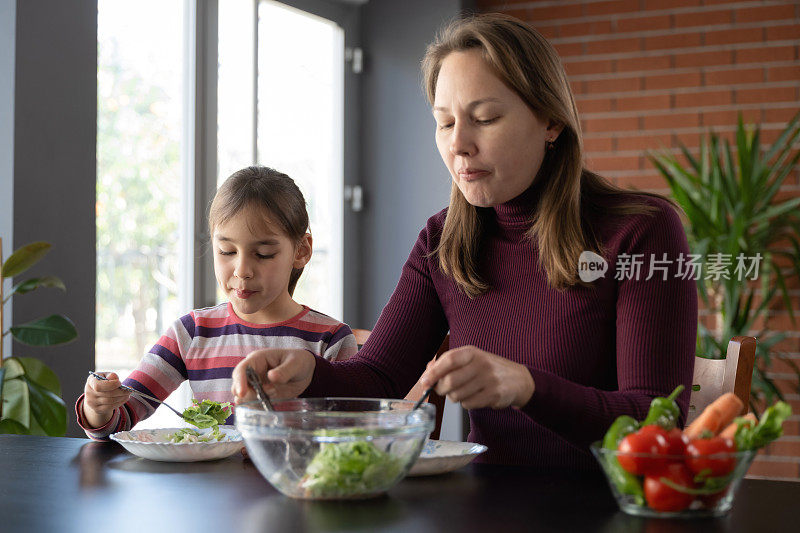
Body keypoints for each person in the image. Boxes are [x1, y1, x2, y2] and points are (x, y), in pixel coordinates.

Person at [236, 12, 697, 470]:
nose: (459, 144)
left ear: (551, 122)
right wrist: (307, 373)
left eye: (485, 118)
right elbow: (380, 378)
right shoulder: (442, 242)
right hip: (479, 506)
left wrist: (527, 387)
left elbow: (655, 422)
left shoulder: (642, 231)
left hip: (604, 508)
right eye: (445, 122)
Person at [77, 166, 358, 439]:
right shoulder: (192, 332)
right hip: (207, 486)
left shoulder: (330, 339)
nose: (241, 270)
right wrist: (98, 406)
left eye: (263, 254)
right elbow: (123, 415)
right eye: (227, 251)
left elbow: (350, 434)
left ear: (301, 250)